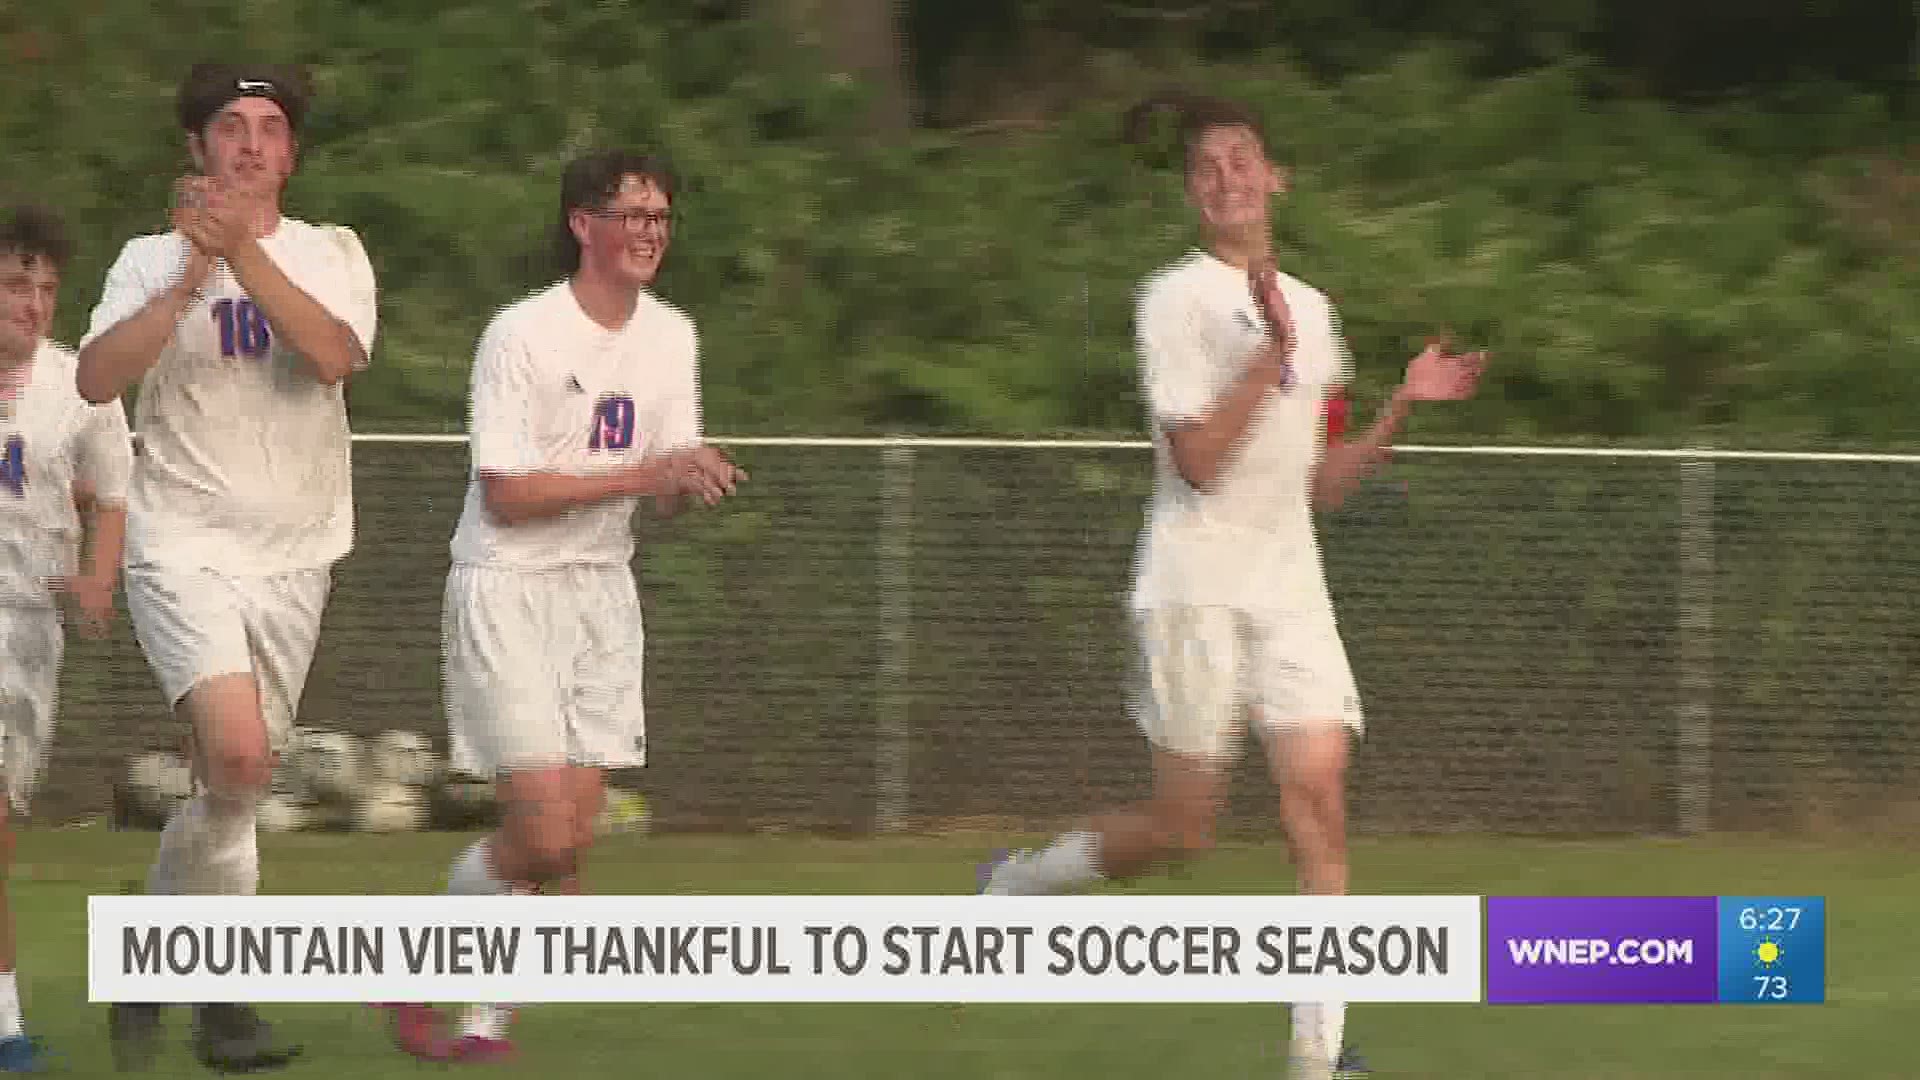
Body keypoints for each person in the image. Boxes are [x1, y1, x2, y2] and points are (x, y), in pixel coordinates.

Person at [976, 93, 1488, 1080]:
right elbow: (1201, 461)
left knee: (1319, 799)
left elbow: (1324, 483)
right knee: (1184, 831)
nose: (1228, 178)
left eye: (1243, 160)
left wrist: (1399, 408)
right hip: (1193, 585)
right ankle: (1025, 885)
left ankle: (1316, 1054)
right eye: (1208, 168)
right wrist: (1269, 358)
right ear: (1192, 194)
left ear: (1275, 177)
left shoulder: (1319, 308)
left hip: (1290, 587)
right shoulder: (1174, 300)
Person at [385, 150, 745, 1065]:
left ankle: (480, 1025)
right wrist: (643, 473)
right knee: (542, 836)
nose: (651, 232)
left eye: (662, 216)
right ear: (583, 226)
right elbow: (505, 492)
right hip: (507, 586)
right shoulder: (523, 334)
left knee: (564, 847)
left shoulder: (672, 336)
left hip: (600, 593)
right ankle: (416, 964)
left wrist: (685, 480)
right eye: (632, 215)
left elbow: (659, 475)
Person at [75, 62, 378, 1073]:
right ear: (197, 148)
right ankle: (225, 997)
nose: (251, 144)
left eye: (270, 127)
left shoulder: (332, 253)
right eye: (230, 127)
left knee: (234, 788)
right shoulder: (146, 255)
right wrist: (189, 277)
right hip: (180, 540)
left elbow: (331, 354)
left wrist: (241, 250)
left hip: (297, 549)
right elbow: (97, 375)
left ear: (291, 152)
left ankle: (150, 943)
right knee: (242, 758)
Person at [0, 203, 132, 1073]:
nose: (35, 301)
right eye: (18, 282)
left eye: (48, 286)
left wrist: (97, 576)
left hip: (23, 629)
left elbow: (112, 493)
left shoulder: (79, 386)